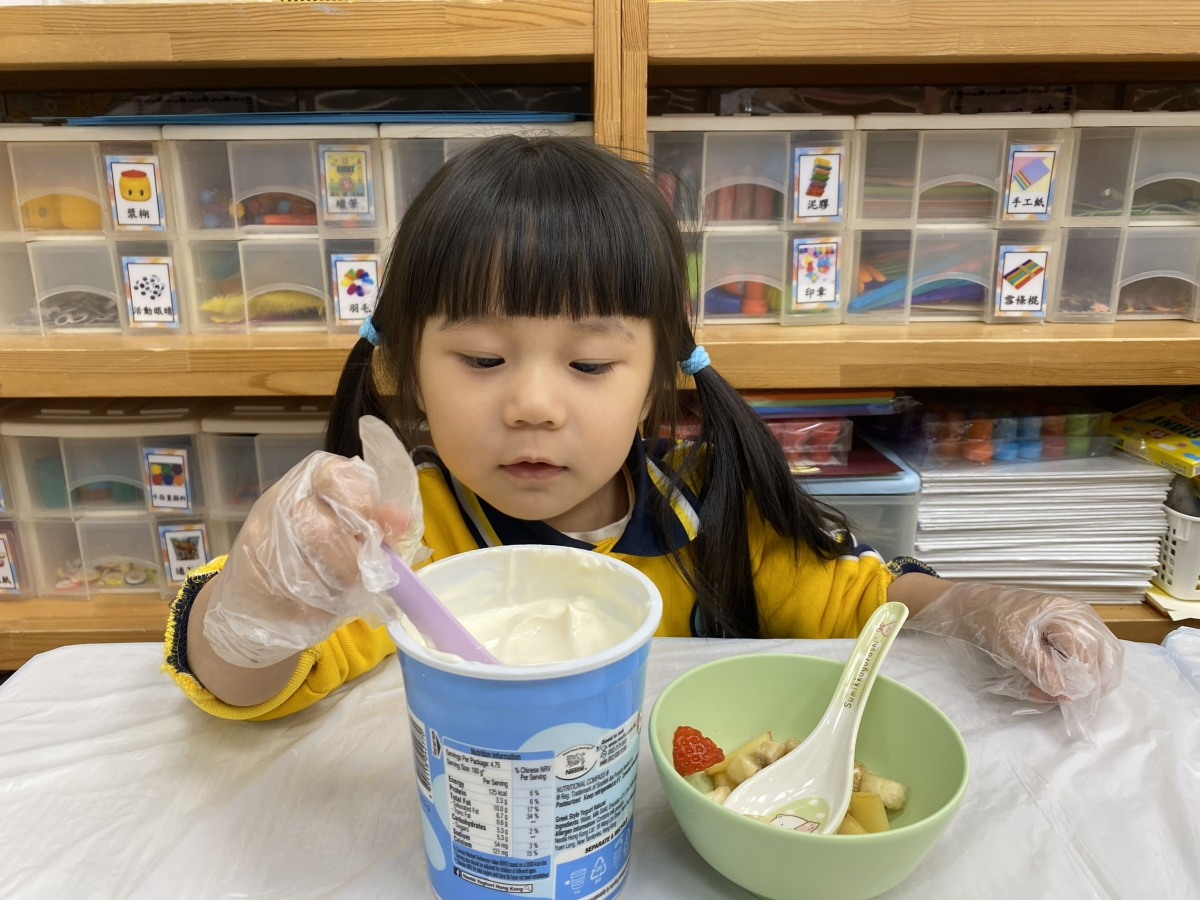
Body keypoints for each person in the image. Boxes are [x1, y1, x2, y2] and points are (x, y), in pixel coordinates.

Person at [164, 136, 1120, 728]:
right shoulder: (406, 539)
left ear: (658, 379)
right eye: (483, 359)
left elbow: (870, 602)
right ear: (402, 369)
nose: (533, 405)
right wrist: (258, 606)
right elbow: (246, 686)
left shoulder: (712, 511)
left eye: (589, 365)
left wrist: (984, 610)